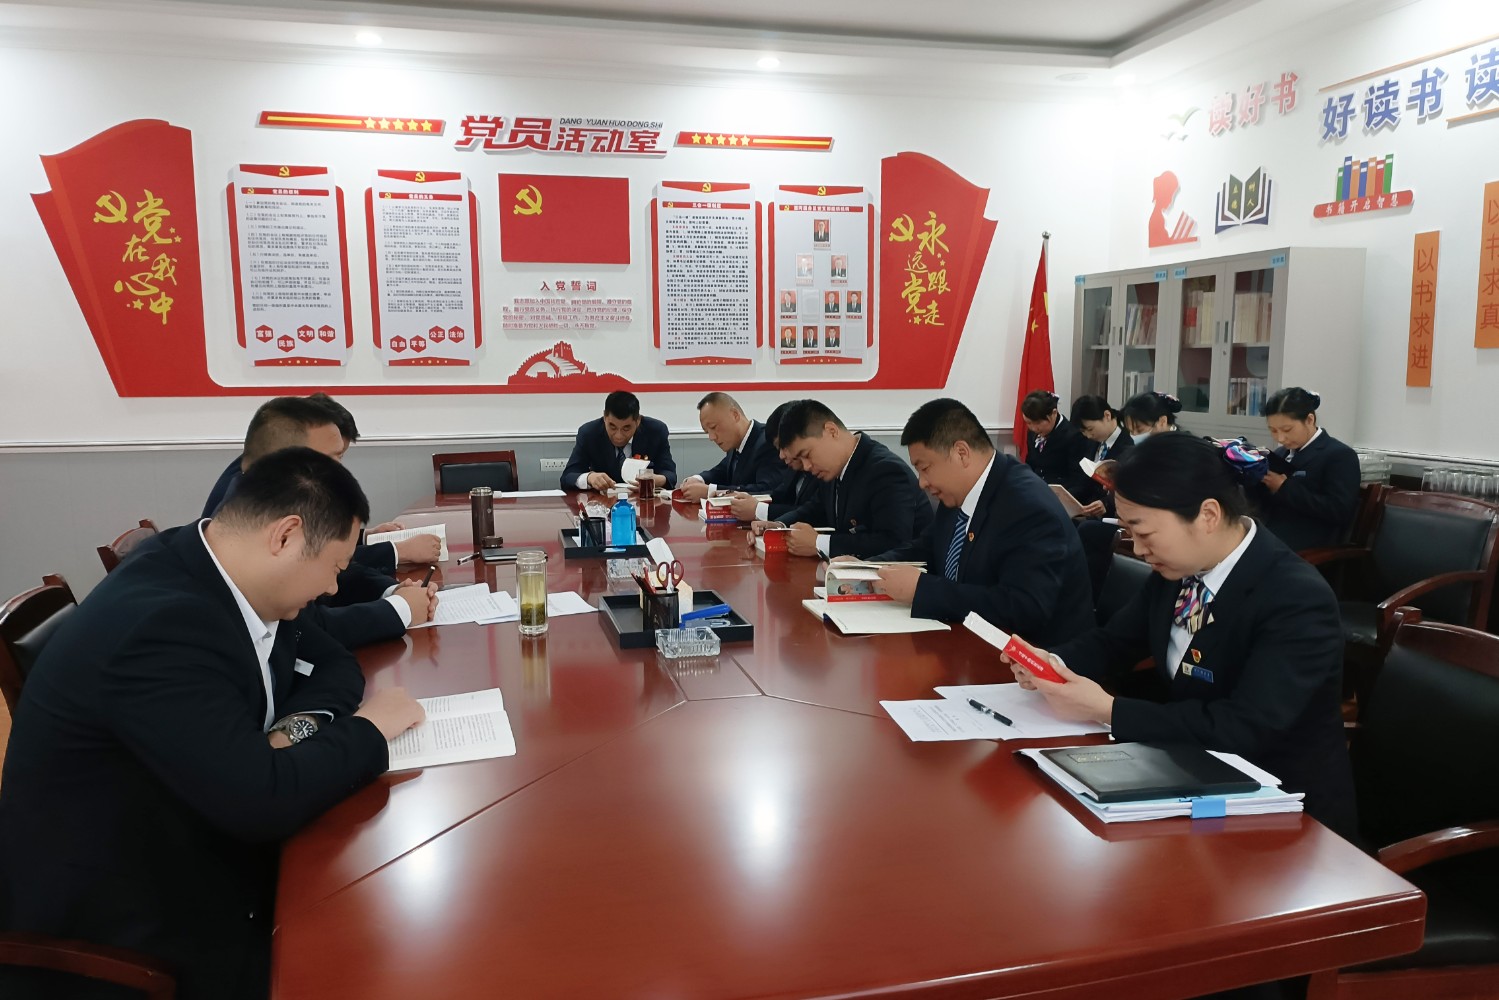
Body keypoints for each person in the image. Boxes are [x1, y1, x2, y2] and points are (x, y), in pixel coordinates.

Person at [0, 447, 427, 1000]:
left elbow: (335, 664)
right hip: (129, 923)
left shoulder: (224, 571)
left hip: (200, 829)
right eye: (334, 568)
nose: (331, 589)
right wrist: (369, 728)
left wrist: (291, 732)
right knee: (376, 954)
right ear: (286, 537)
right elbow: (262, 802)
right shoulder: (161, 625)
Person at [1002, 434, 1357, 841]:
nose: (1138, 549)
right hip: (1193, 778)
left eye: (1144, 533)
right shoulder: (1181, 571)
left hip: (1282, 813)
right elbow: (1115, 642)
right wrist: (1051, 663)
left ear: (1207, 515)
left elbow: (1242, 728)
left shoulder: (1295, 597)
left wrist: (1108, 709)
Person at [202, 396, 438, 646]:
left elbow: (332, 567)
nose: (340, 474)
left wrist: (392, 590)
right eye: (331, 461)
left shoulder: (279, 495)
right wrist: (401, 609)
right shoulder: (246, 521)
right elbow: (303, 632)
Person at [860, 399, 1094, 645]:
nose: (922, 483)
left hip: (1036, 656)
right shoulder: (959, 493)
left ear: (961, 453)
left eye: (925, 468)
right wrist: (866, 567)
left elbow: (1024, 607)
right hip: (969, 643)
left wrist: (923, 590)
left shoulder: (1027, 507)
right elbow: (927, 547)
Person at [202, 395, 440, 572]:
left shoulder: (259, 475)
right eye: (333, 458)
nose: (338, 470)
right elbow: (313, 565)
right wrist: (397, 552)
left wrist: (364, 537)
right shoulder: (248, 508)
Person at [753, 399, 932, 558]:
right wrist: (779, 525)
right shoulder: (835, 468)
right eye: (800, 459)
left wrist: (819, 544)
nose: (806, 466)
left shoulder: (885, 471)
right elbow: (815, 509)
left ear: (831, 431)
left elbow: (893, 542)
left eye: (806, 454)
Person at [1247, 387, 1361, 552]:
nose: (1280, 438)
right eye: (1273, 431)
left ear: (1309, 420)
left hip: (1309, 543)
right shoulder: (1280, 453)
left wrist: (1284, 488)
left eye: (1287, 430)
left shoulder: (1339, 455)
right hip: (1272, 533)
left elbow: (1339, 511)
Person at [677, 392, 789, 501]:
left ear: (735, 415)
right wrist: (697, 479)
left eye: (714, 427)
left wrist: (711, 492)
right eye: (707, 432)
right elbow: (721, 471)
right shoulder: (735, 443)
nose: (711, 437)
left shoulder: (767, 441)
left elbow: (766, 489)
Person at [561, 390, 677, 492]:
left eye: (626, 428)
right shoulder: (589, 433)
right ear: (605, 417)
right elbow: (568, 477)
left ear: (638, 421)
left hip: (643, 502)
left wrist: (656, 480)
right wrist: (589, 477)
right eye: (612, 427)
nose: (618, 436)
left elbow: (670, 474)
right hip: (601, 503)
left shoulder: (655, 431)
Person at [728, 401, 820, 522]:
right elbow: (778, 495)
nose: (781, 455)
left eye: (784, 447)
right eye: (778, 448)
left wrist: (759, 510)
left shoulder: (822, 468)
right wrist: (746, 499)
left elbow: (814, 512)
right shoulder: (794, 467)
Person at [1020, 390, 1103, 508]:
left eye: (1037, 422)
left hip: (1062, 500)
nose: (1033, 428)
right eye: (1028, 423)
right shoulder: (1032, 434)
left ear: (1054, 413)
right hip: (1037, 494)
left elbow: (1079, 480)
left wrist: (1056, 500)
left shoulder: (1074, 435)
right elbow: (1031, 465)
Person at [1119, 390, 1184, 442]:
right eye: (1130, 431)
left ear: (1162, 421)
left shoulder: (1182, 448)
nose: (1134, 436)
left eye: (1139, 430)